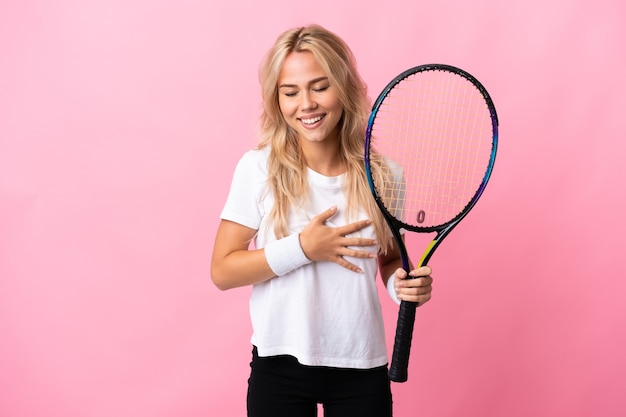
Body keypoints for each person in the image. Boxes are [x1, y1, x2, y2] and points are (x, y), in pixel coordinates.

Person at [211, 24, 434, 417]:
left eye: (320, 86)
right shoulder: (258, 169)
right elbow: (223, 270)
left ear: (344, 88)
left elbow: (386, 259)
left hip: (361, 365)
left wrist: (402, 287)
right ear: (276, 100)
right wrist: (302, 248)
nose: (306, 104)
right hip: (279, 365)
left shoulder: (385, 175)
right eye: (290, 92)